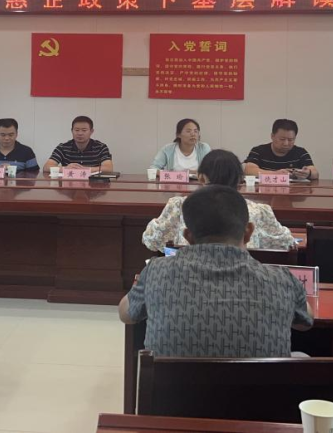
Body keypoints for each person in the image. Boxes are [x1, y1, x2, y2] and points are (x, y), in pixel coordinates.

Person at [119, 184, 312, 357]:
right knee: (301, 356)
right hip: (259, 387)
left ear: (188, 236)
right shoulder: (282, 280)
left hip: (175, 387)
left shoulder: (156, 272)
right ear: (249, 232)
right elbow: (305, 321)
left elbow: (125, 314)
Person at [142, 149, 296, 251]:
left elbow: (151, 239)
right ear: (240, 180)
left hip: (186, 281)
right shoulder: (259, 211)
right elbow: (286, 242)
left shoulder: (179, 206)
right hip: (241, 284)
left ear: (201, 177)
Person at [243, 119, 317, 179]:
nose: (286, 143)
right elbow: (249, 170)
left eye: (290, 140)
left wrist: (308, 173)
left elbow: (315, 173)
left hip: (294, 191)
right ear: (272, 136)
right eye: (282, 139)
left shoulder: (301, 152)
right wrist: (275, 174)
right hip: (265, 190)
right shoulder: (258, 151)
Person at [43, 116, 114, 172]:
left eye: (84, 130)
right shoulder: (63, 147)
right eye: (76, 130)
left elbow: (109, 168)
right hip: (69, 184)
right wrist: (65, 168)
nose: (80, 133)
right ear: (72, 131)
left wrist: (86, 170)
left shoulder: (101, 147)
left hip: (94, 184)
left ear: (91, 131)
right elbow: (46, 167)